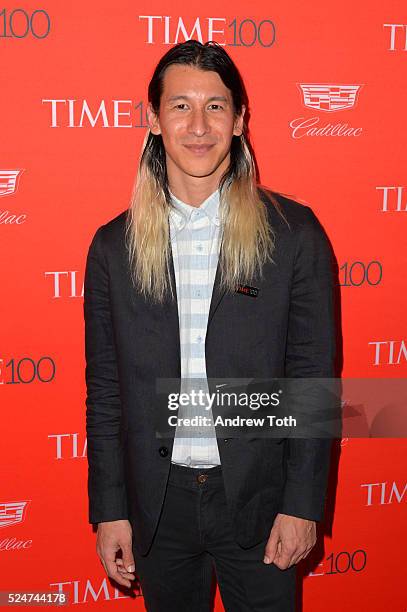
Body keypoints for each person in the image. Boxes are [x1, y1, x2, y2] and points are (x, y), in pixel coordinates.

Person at [84, 39, 336, 612]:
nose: (198, 125)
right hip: (157, 504)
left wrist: (302, 504)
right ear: (153, 119)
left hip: (260, 501)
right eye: (179, 106)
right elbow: (105, 391)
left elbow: (312, 379)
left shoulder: (293, 234)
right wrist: (110, 507)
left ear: (241, 119)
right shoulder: (112, 247)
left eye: (216, 106)